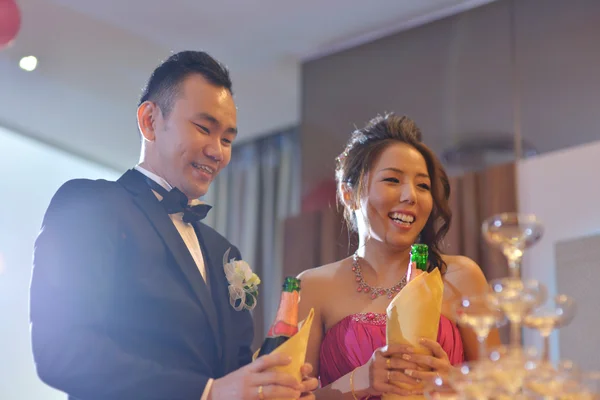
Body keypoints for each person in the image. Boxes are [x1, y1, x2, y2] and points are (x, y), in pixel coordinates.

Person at [29, 51, 318, 400]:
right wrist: (207, 392)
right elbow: (61, 350)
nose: (218, 151)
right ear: (150, 120)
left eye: (227, 139)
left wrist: (267, 385)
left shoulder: (223, 252)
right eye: (203, 128)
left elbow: (232, 374)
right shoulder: (91, 205)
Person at [297, 113, 500, 399]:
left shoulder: (462, 277)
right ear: (349, 193)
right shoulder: (313, 287)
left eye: (423, 186)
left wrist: (456, 385)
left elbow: (504, 390)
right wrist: (357, 381)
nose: (411, 196)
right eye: (392, 180)